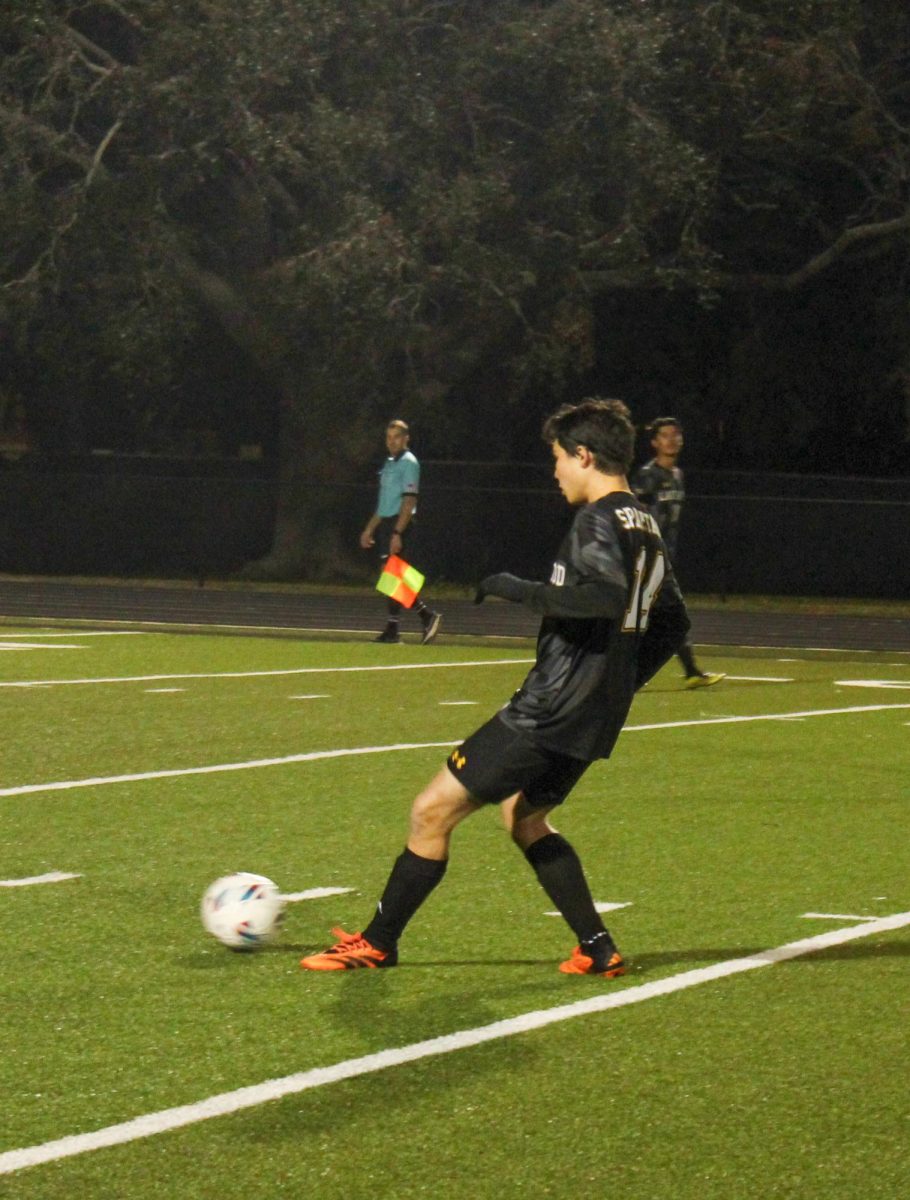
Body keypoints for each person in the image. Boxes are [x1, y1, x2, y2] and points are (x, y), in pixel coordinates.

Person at [302, 398, 691, 977]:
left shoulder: (596, 519)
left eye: (559, 458)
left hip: (550, 709)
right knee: (526, 817)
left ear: (584, 455)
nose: (555, 470)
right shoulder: (645, 522)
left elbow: (605, 598)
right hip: (594, 714)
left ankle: (377, 942)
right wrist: (618, 684)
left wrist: (520, 589)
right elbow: (674, 622)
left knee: (431, 810)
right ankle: (597, 947)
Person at [632, 417, 724, 689]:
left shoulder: (677, 476)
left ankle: (690, 671)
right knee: (650, 617)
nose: (672, 439)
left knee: (659, 616)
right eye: (665, 435)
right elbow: (635, 515)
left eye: (676, 434)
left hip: (664, 557)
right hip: (646, 556)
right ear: (654, 442)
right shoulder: (648, 475)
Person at [360, 419, 441, 644]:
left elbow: (408, 500)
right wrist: (369, 529)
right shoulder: (389, 463)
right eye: (388, 437)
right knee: (392, 578)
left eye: (396, 437)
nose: (391, 441)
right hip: (387, 523)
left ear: (406, 438)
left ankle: (423, 617)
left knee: (393, 576)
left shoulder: (409, 463)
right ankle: (399, 626)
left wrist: (397, 532)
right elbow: (384, 503)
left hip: (399, 524)